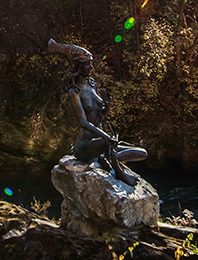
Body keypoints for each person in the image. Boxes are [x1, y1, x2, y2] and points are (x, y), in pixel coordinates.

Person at [47, 39, 147, 186]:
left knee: (142, 153)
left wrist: (108, 104)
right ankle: (118, 171)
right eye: (88, 64)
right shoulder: (74, 92)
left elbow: (102, 115)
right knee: (108, 145)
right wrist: (105, 136)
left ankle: (110, 158)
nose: (91, 67)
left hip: (102, 142)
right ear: (78, 66)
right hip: (85, 146)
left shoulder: (92, 84)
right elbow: (83, 122)